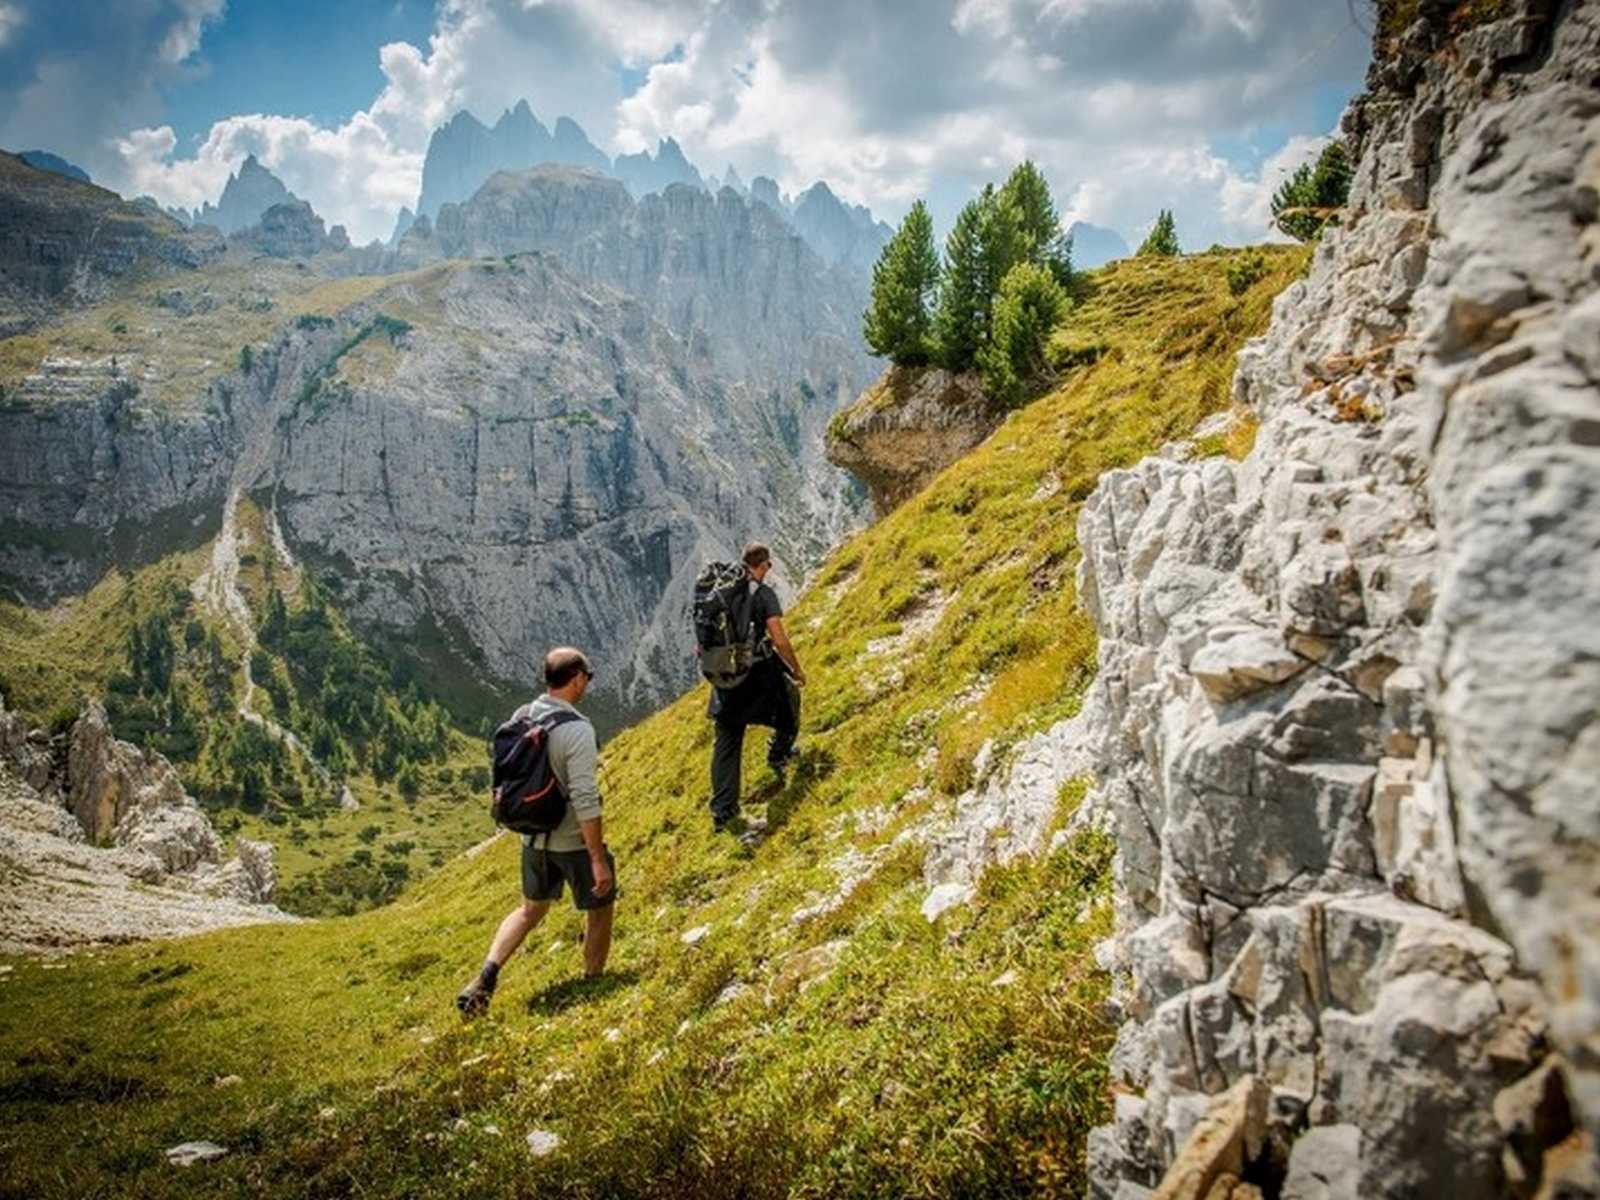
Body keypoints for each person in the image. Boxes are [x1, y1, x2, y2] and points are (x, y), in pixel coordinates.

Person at [456, 646, 615, 1016]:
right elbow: (585, 799)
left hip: (532, 837)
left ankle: (485, 978)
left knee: (530, 910)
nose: (587, 683)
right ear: (577, 679)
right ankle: (593, 981)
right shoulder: (577, 730)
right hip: (571, 840)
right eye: (587, 677)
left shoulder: (523, 715)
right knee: (601, 905)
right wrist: (596, 858)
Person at [707, 542, 806, 835]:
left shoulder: (720, 592)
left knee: (727, 740)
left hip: (726, 674)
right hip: (759, 672)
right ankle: (780, 753)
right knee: (789, 702)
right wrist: (796, 669)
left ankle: (723, 813)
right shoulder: (763, 595)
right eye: (768, 565)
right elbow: (779, 638)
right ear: (762, 565)